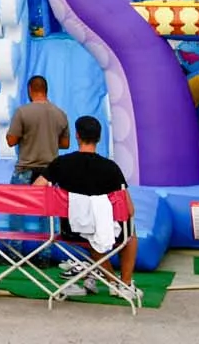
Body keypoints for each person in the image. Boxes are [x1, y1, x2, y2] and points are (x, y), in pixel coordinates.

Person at [34, 115, 141, 302]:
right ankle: (125, 283)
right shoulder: (111, 168)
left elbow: (37, 188)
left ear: (77, 136)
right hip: (102, 228)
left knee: (91, 231)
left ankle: (113, 282)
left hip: (71, 228)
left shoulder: (62, 163)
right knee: (128, 234)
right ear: (99, 138)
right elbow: (129, 209)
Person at [7, 75, 70, 185]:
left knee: (19, 202)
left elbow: (11, 141)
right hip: (51, 173)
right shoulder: (61, 114)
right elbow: (65, 144)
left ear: (30, 90)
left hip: (25, 171)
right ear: (46, 90)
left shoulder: (22, 112)